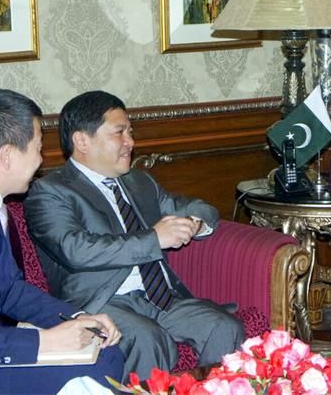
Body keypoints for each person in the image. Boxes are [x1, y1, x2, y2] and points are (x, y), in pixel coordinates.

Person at [24, 90, 244, 379]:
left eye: (130, 132)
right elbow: (75, 250)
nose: (130, 142)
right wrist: (155, 239)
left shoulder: (139, 181)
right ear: (82, 141)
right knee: (147, 338)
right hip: (100, 304)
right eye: (119, 132)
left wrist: (194, 222)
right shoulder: (51, 191)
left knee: (224, 327)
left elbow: (198, 207)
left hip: (161, 297)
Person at [0, 89, 124, 394]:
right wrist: (46, 341)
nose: (42, 160)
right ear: (7, 155)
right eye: (38, 148)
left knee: (104, 352)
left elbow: (8, 289)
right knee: (96, 367)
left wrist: (77, 318)